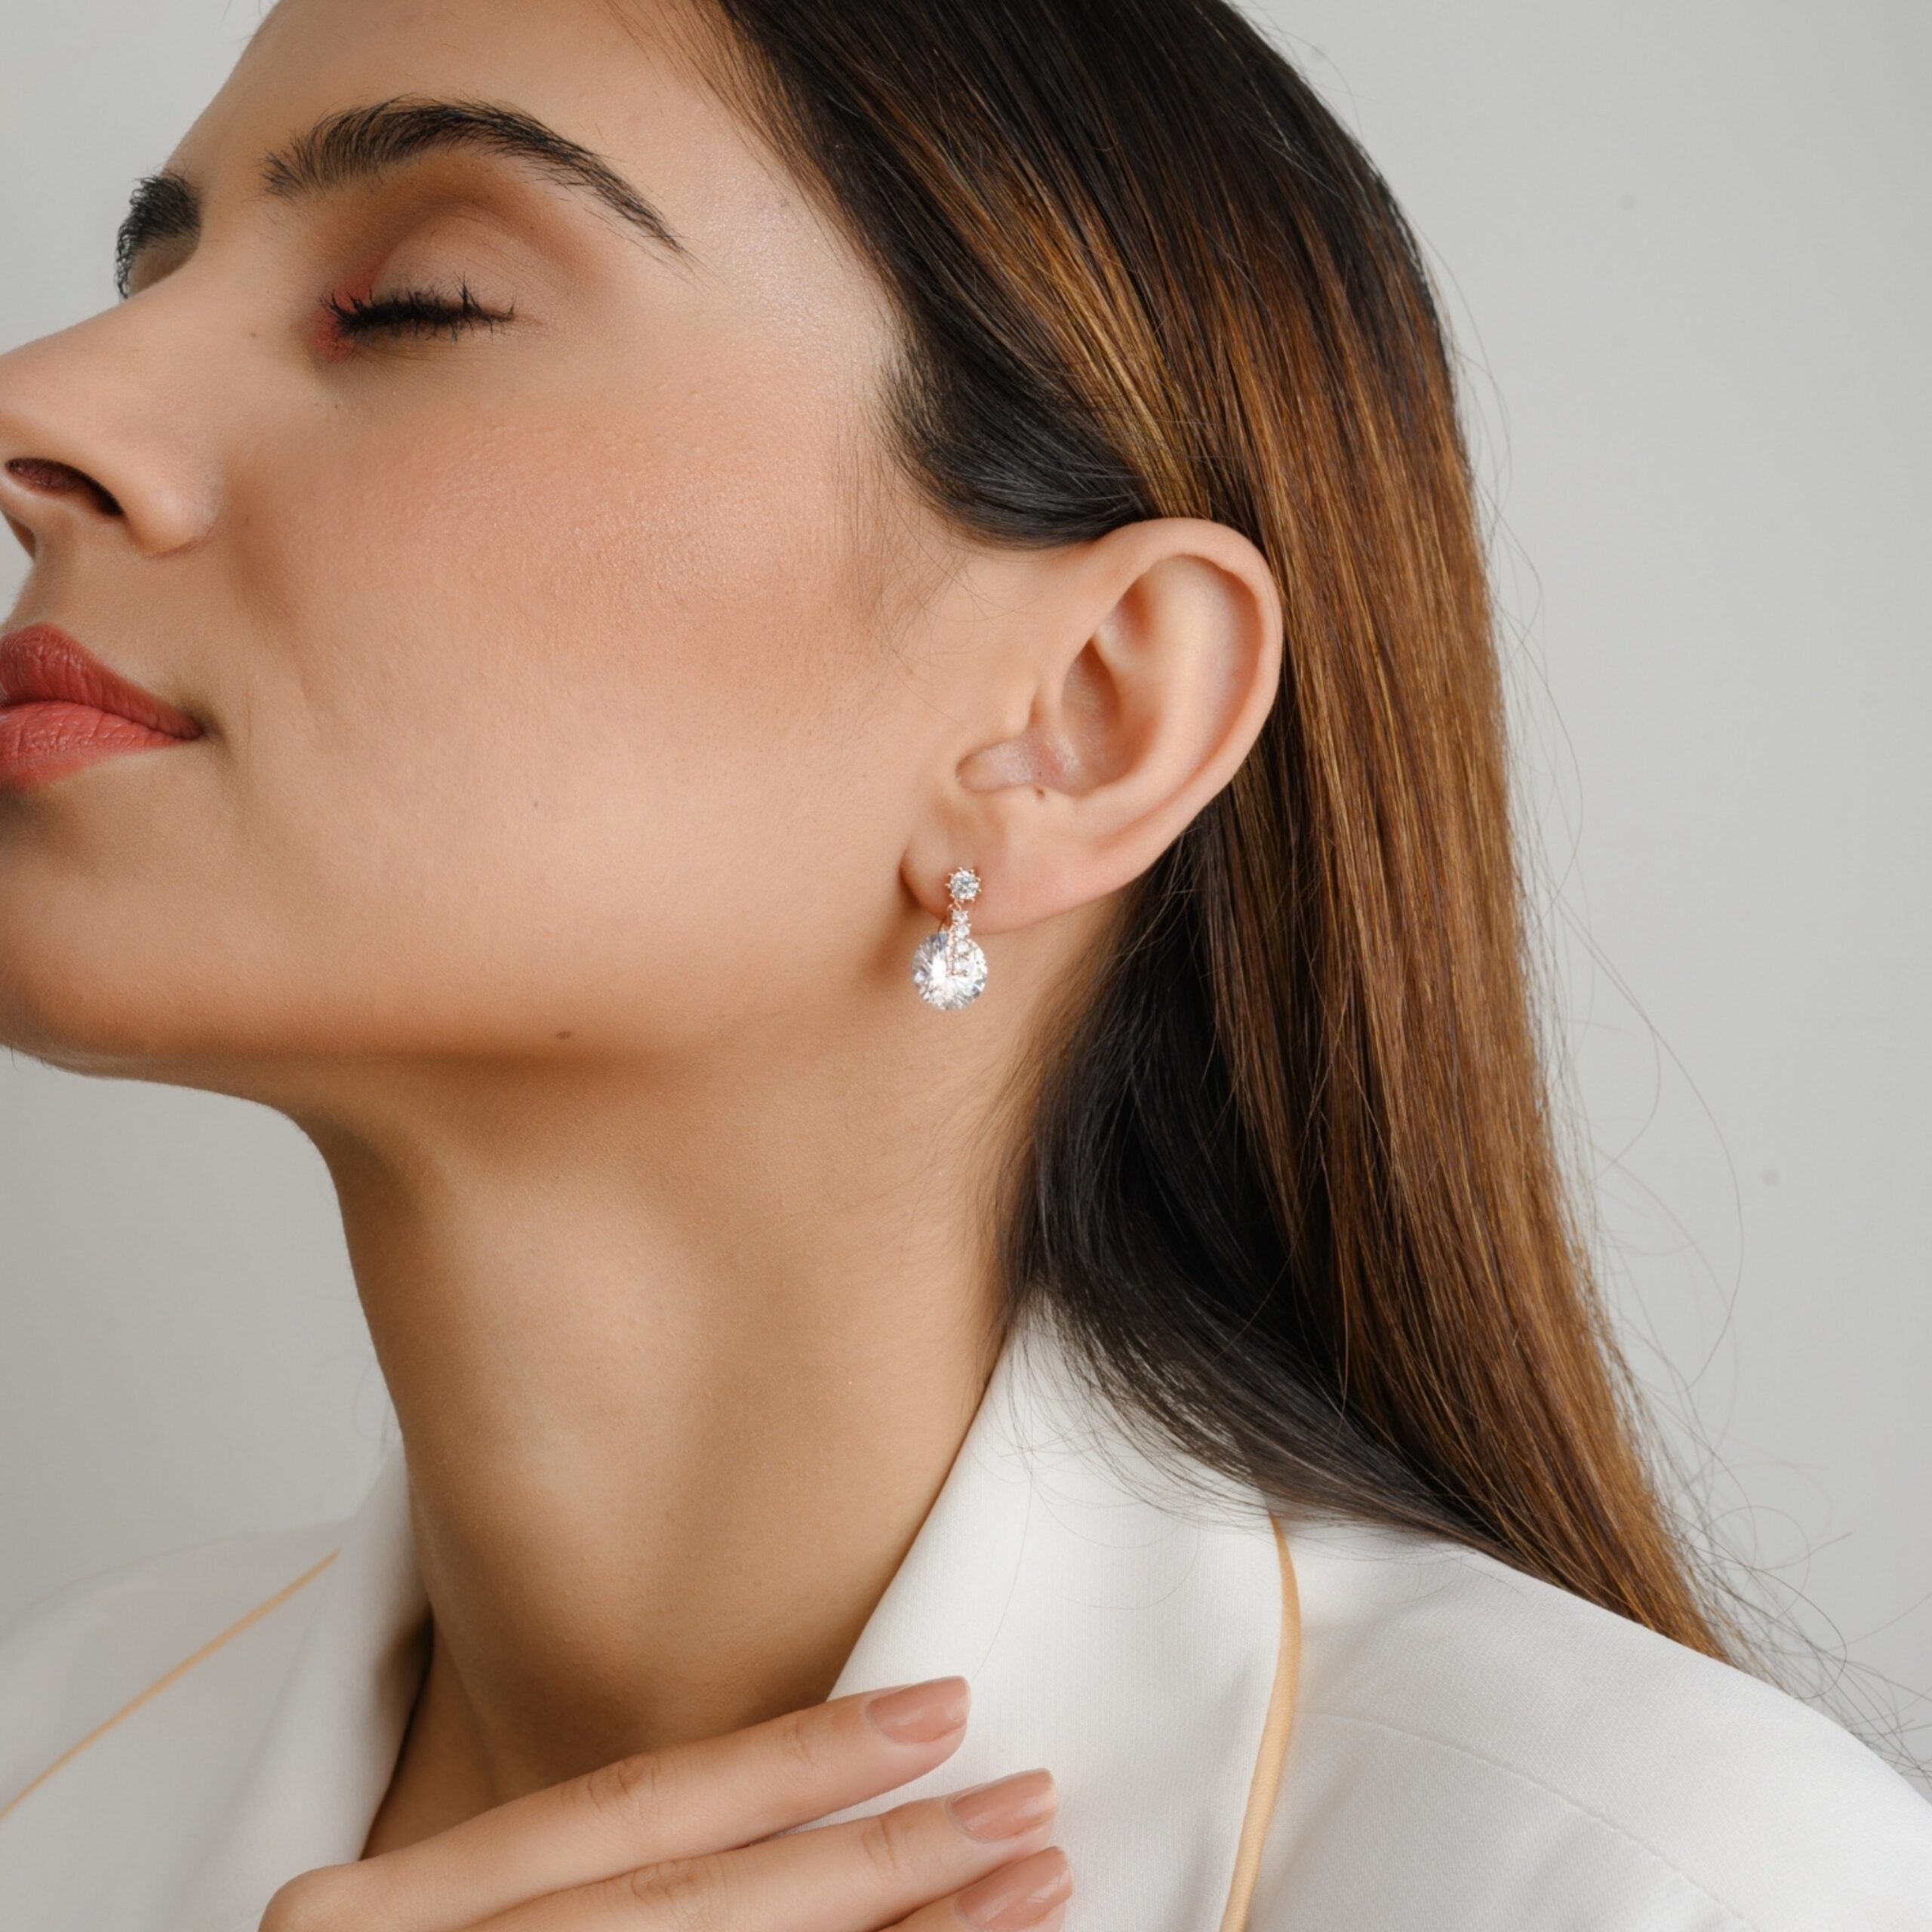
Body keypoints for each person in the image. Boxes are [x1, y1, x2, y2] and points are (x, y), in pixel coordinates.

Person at [1, 0, 1927, 1927]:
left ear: (1079, 718)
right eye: (145, 271)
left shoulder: (1658, 1883)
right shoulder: (39, 1756)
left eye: (414, 301)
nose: (45, 403)